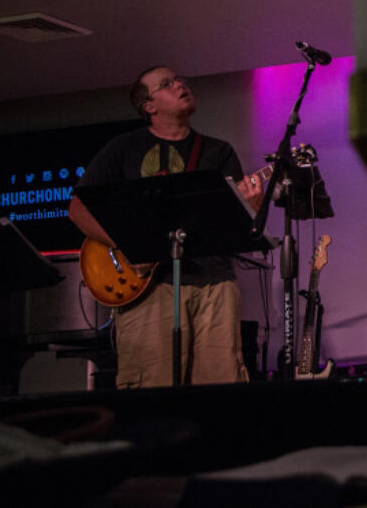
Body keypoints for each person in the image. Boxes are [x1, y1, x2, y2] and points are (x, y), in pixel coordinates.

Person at [69, 67, 263, 387]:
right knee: (151, 385)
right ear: (149, 106)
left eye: (180, 80)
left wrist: (250, 209)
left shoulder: (218, 151)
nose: (180, 85)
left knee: (221, 384)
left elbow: (234, 229)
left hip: (214, 283)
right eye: (167, 84)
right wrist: (125, 246)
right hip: (151, 288)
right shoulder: (123, 148)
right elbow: (78, 209)